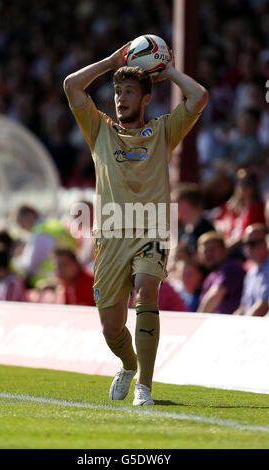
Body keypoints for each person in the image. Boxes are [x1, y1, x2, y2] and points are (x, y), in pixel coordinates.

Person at [63, 42, 208, 405]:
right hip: (110, 237)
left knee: (147, 289)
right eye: (117, 91)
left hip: (152, 230)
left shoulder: (163, 131)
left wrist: (168, 71)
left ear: (145, 99)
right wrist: (112, 62)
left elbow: (199, 96)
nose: (120, 97)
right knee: (111, 328)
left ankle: (145, 385)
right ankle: (128, 364)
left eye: (128, 91)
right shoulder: (98, 130)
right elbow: (71, 86)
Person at [14, 205, 77, 288]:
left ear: (30, 215)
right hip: (69, 278)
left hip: (48, 284)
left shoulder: (40, 232)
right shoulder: (55, 224)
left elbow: (29, 266)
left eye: (21, 223)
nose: (22, 228)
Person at [197, 231, 245, 315]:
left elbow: (215, 296)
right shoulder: (210, 277)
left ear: (225, 250)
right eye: (205, 251)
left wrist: (196, 322)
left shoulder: (231, 268)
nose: (208, 255)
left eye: (212, 250)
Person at [234, 224, 269, 316]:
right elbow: (243, 306)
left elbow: (264, 305)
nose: (249, 248)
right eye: (246, 244)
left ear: (266, 242)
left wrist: (244, 325)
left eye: (253, 243)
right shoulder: (250, 274)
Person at [171, 183, 215, 253]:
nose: (172, 208)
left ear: (186, 204)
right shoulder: (182, 229)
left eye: (175, 203)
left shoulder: (206, 229)